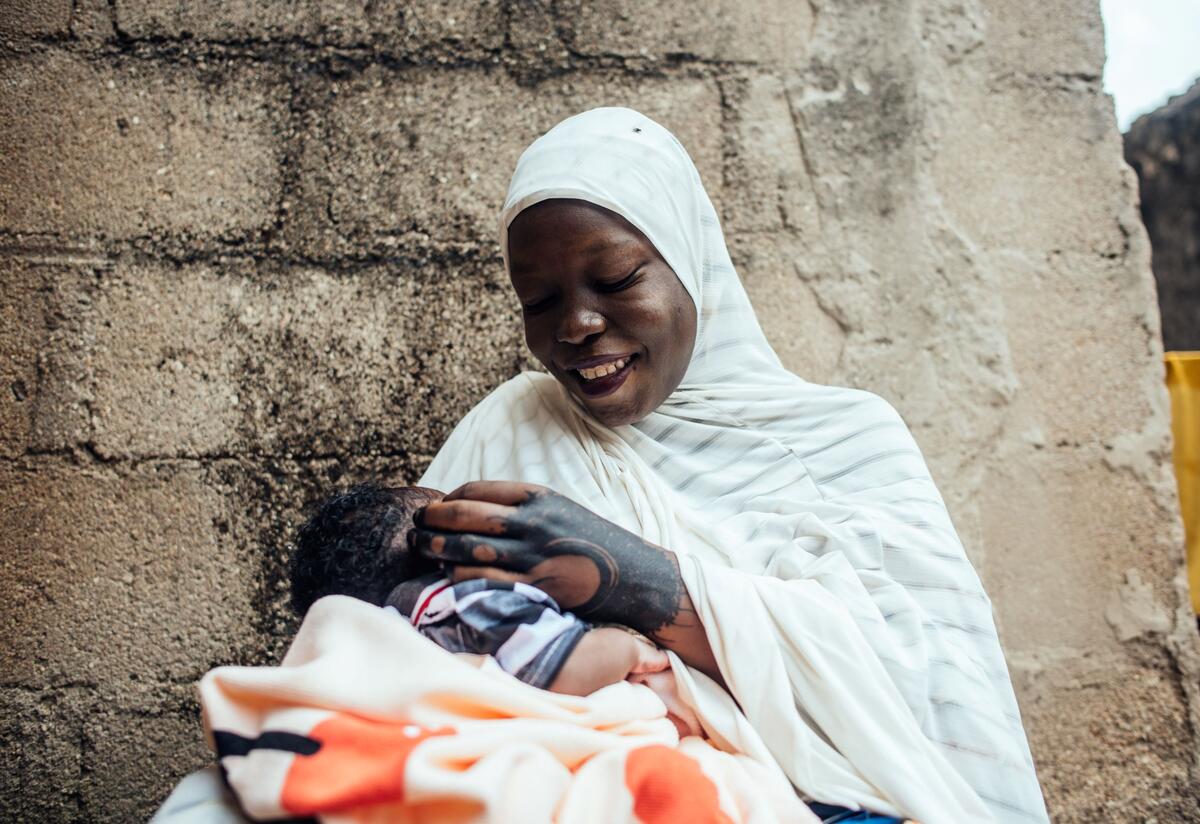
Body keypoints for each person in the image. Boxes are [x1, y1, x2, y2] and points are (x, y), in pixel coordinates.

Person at [405, 107, 1050, 824]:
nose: (577, 325)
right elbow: (401, 643)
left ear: (690, 262)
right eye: (540, 301)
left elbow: (927, 700)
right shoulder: (513, 428)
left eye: (616, 278)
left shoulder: (842, 439)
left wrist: (634, 577)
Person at [287, 481, 703, 734]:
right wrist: (625, 647)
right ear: (447, 556)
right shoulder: (467, 602)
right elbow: (566, 669)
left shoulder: (385, 651)